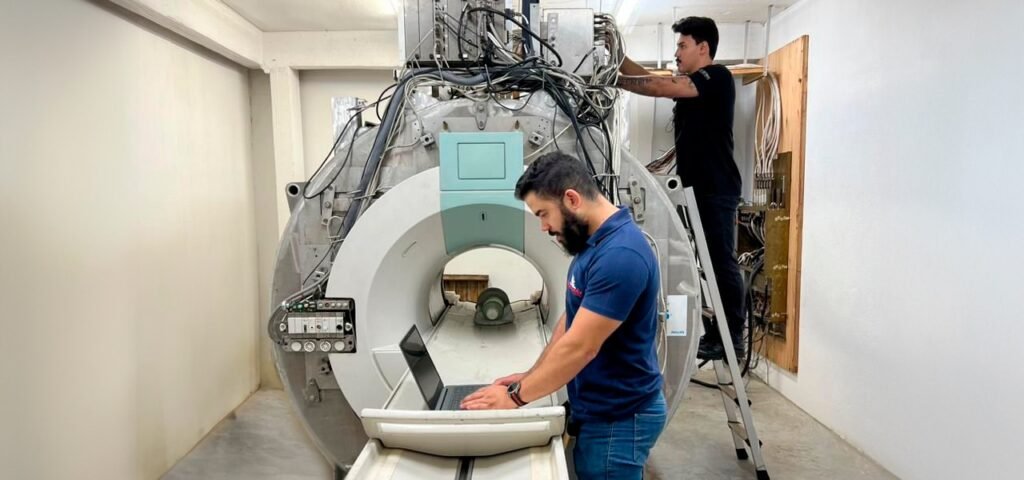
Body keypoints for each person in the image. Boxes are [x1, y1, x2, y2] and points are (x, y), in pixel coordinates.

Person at [460, 152, 666, 479]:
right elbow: (570, 321)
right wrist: (529, 376)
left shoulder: (620, 255)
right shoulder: (593, 245)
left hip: (619, 419)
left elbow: (581, 347)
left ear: (571, 199)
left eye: (543, 214)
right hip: (600, 411)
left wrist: (514, 398)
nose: (543, 227)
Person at [614, 16, 745, 361]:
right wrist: (617, 58)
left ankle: (732, 338)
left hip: (716, 188)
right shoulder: (692, 84)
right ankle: (717, 333)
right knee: (706, 264)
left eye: (682, 46)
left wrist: (613, 78)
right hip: (695, 190)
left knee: (721, 264)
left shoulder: (717, 77)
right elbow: (654, 78)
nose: (676, 53)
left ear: (703, 47)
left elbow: (659, 87)